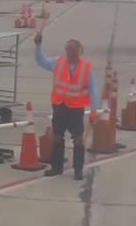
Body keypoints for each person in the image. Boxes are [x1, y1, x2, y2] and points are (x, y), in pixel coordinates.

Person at [34, 31, 100, 180]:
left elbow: (93, 89)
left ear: (79, 51)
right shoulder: (58, 62)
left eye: (72, 50)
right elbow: (41, 61)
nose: (69, 53)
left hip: (76, 109)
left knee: (78, 140)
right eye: (67, 50)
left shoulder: (86, 68)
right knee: (57, 137)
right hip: (60, 106)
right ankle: (56, 167)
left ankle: (78, 170)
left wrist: (94, 110)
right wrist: (38, 46)